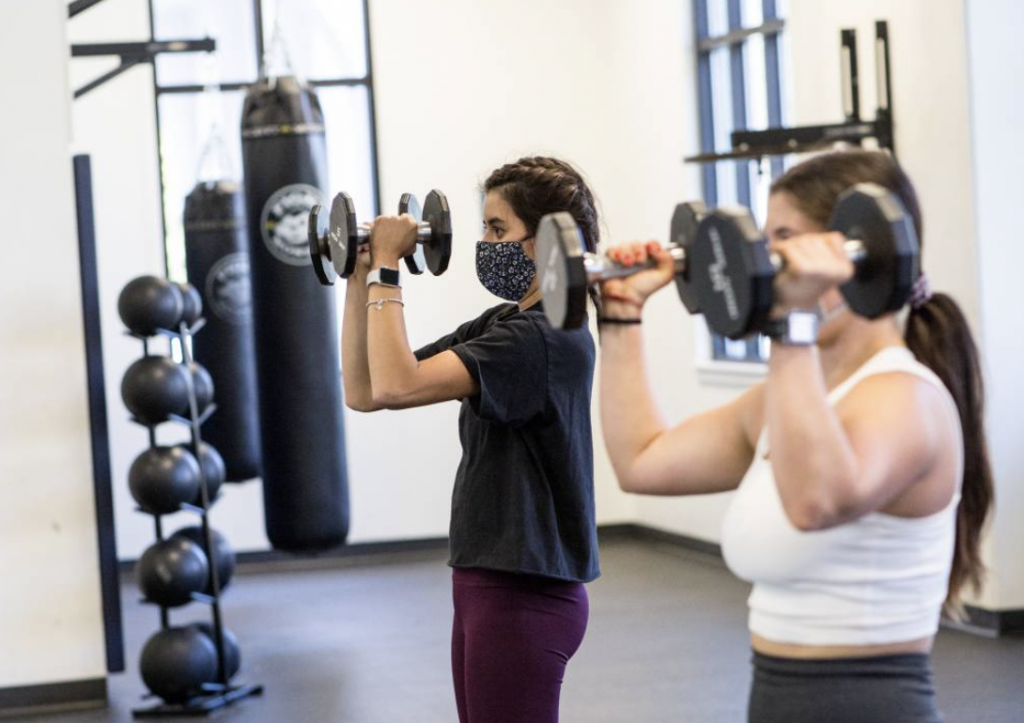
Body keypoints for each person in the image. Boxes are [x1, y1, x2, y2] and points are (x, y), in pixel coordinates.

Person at [598, 150, 993, 723]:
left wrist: (791, 321)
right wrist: (622, 312)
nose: (759, 262)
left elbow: (815, 502)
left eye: (780, 239)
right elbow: (642, 463)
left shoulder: (907, 397)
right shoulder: (790, 398)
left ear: (852, 252)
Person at [342, 156, 602, 723]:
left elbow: (394, 384)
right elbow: (365, 388)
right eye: (484, 227)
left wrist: (389, 268)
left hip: (525, 590)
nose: (484, 242)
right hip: (489, 579)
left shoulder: (542, 340)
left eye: (497, 229)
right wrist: (360, 274)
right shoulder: (503, 323)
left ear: (546, 242)